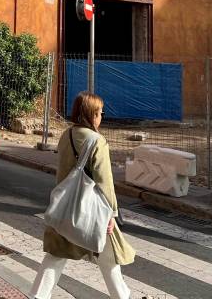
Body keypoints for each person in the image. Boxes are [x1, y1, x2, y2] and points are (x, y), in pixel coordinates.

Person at [30, 92, 135, 299]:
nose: (101, 116)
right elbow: (105, 181)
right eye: (100, 112)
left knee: (56, 254)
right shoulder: (97, 141)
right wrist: (112, 214)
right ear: (91, 114)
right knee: (109, 257)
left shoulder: (66, 135)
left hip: (66, 206)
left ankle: (37, 296)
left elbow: (62, 171)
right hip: (94, 210)